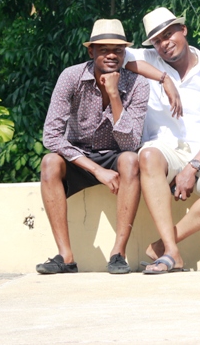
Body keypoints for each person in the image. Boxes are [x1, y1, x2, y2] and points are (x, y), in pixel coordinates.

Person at [125, 7, 200, 274]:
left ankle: (165, 246)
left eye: (169, 34)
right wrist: (163, 79)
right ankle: (173, 254)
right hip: (164, 147)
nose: (164, 44)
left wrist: (193, 167)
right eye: (157, 40)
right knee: (147, 155)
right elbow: (112, 56)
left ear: (183, 30)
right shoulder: (148, 60)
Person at [36, 19, 149, 275]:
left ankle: (118, 253)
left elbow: (130, 143)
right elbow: (51, 136)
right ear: (91, 51)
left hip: (115, 155)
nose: (111, 55)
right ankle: (66, 257)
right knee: (49, 162)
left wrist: (115, 94)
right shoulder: (71, 76)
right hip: (79, 155)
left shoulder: (137, 84)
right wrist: (97, 170)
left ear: (124, 54)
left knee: (131, 159)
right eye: (104, 49)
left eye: (118, 50)